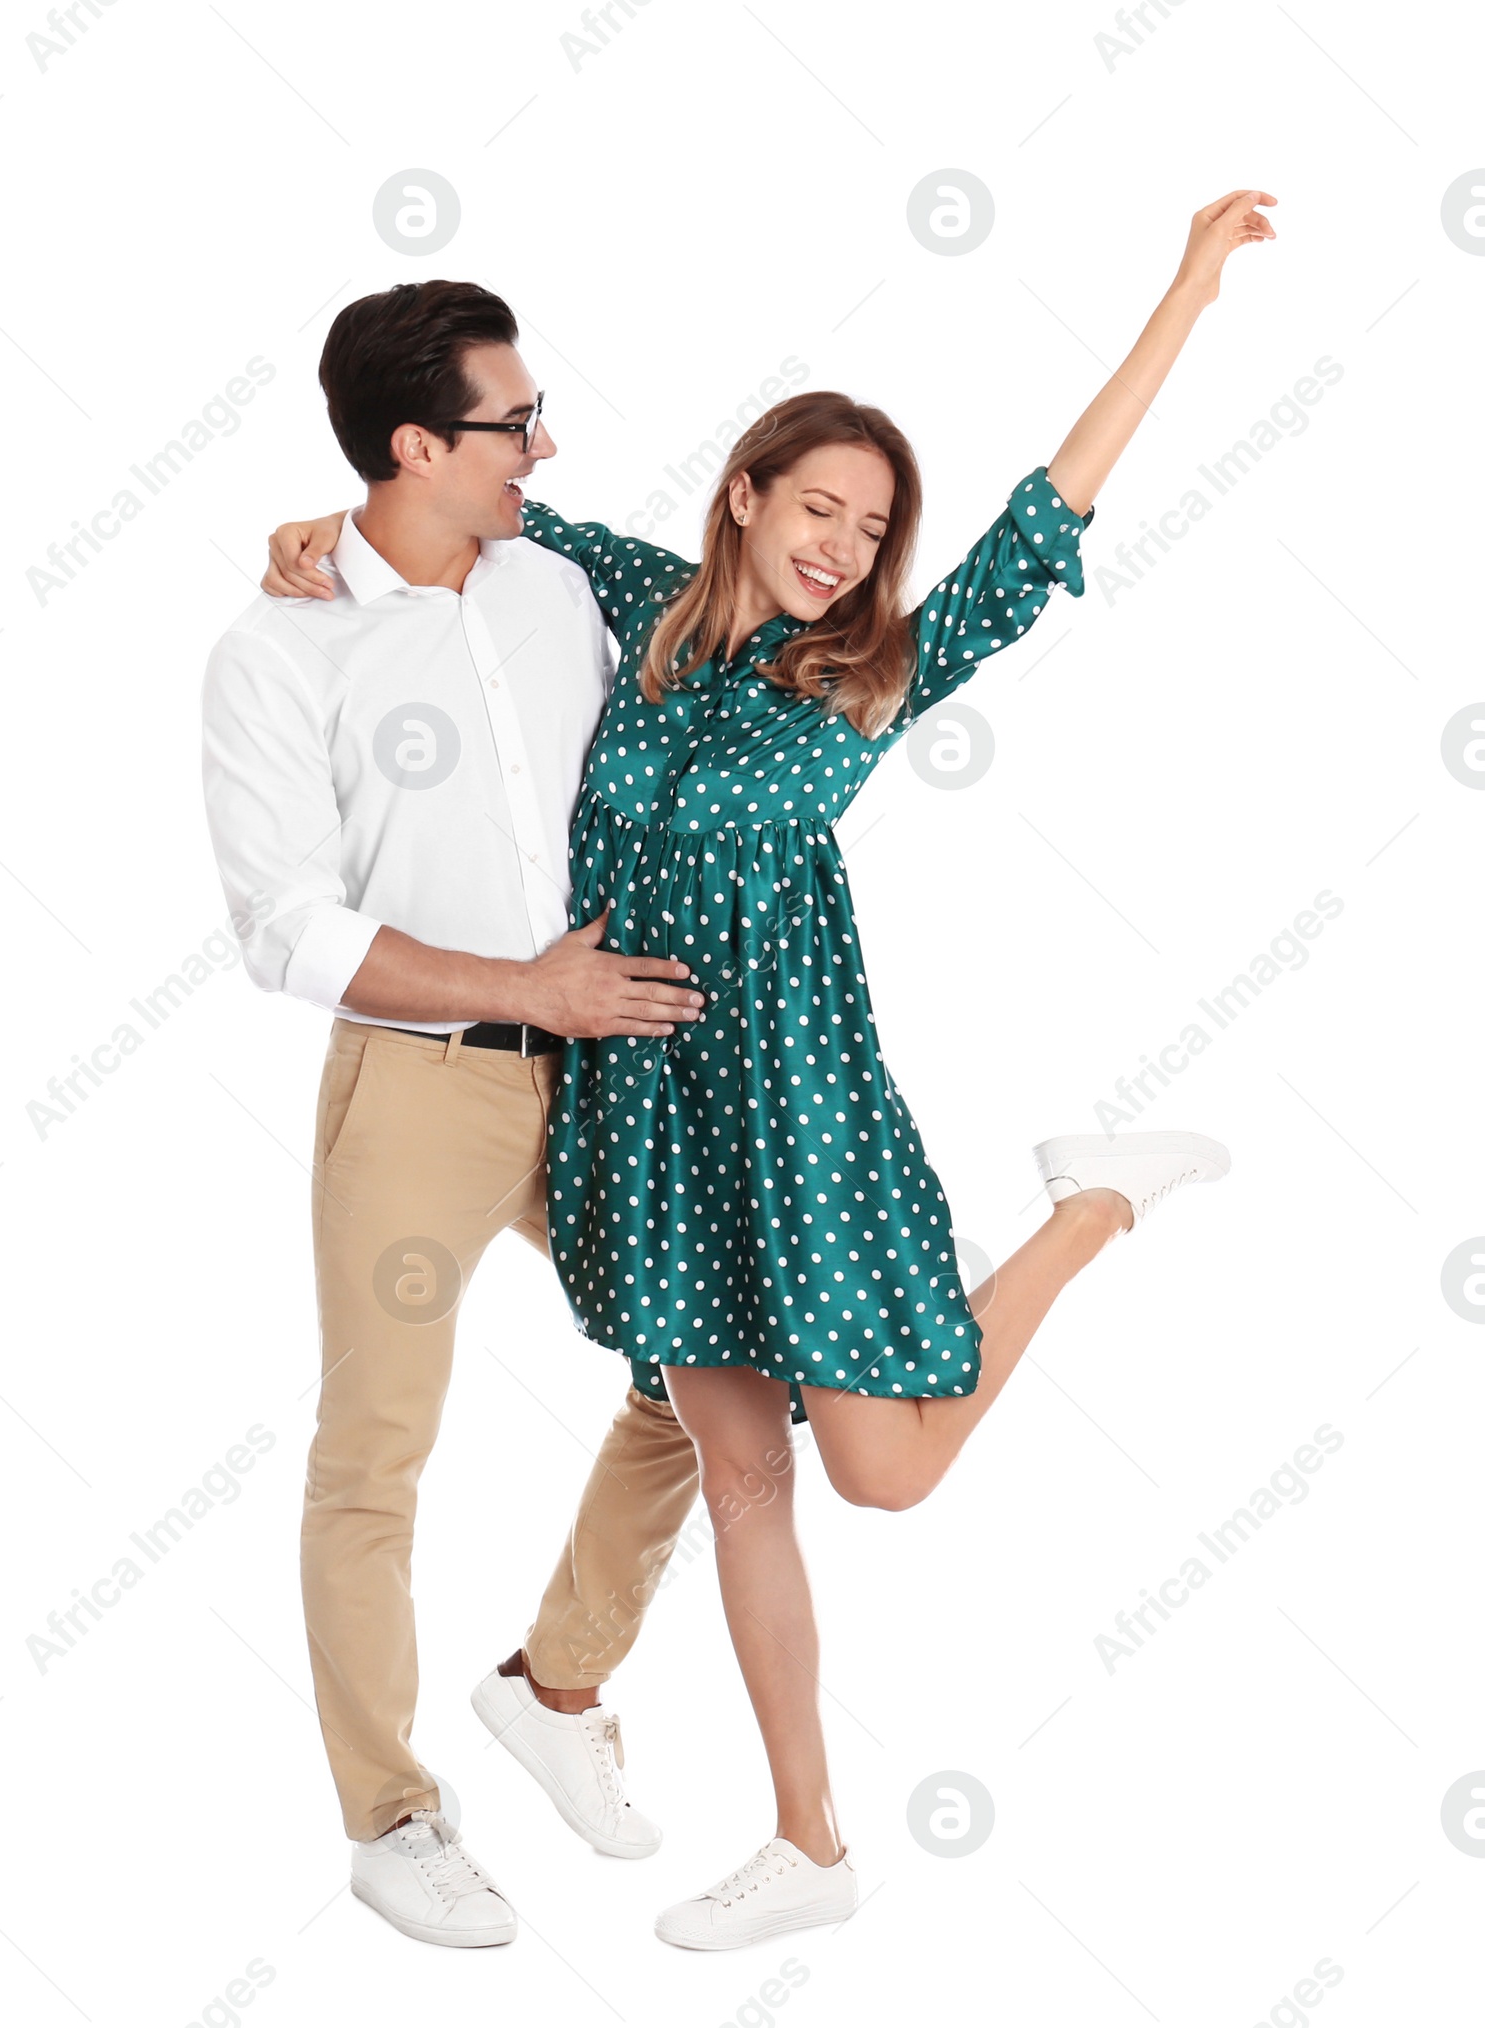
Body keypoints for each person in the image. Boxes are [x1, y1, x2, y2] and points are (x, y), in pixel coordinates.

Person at [261, 186, 1276, 1949]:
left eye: (872, 527)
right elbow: (455, 502)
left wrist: (1185, 287)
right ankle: (807, 1840)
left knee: (884, 1474)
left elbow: (1053, 516)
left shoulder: (870, 671)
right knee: (736, 1475)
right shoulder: (627, 602)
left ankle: (1094, 1205)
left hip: (793, 1113)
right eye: (818, 507)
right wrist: (307, 532)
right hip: (642, 1119)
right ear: (742, 494)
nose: (842, 547)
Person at [202, 279, 711, 1952]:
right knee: (376, 1457)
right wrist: (522, 981)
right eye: (514, 423)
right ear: (420, 442)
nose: (545, 449)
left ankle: (556, 1684)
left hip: (611, 1073)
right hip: (419, 1084)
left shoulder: (553, 584)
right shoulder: (279, 650)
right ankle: (392, 1816)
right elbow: (288, 926)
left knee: (725, 1376)